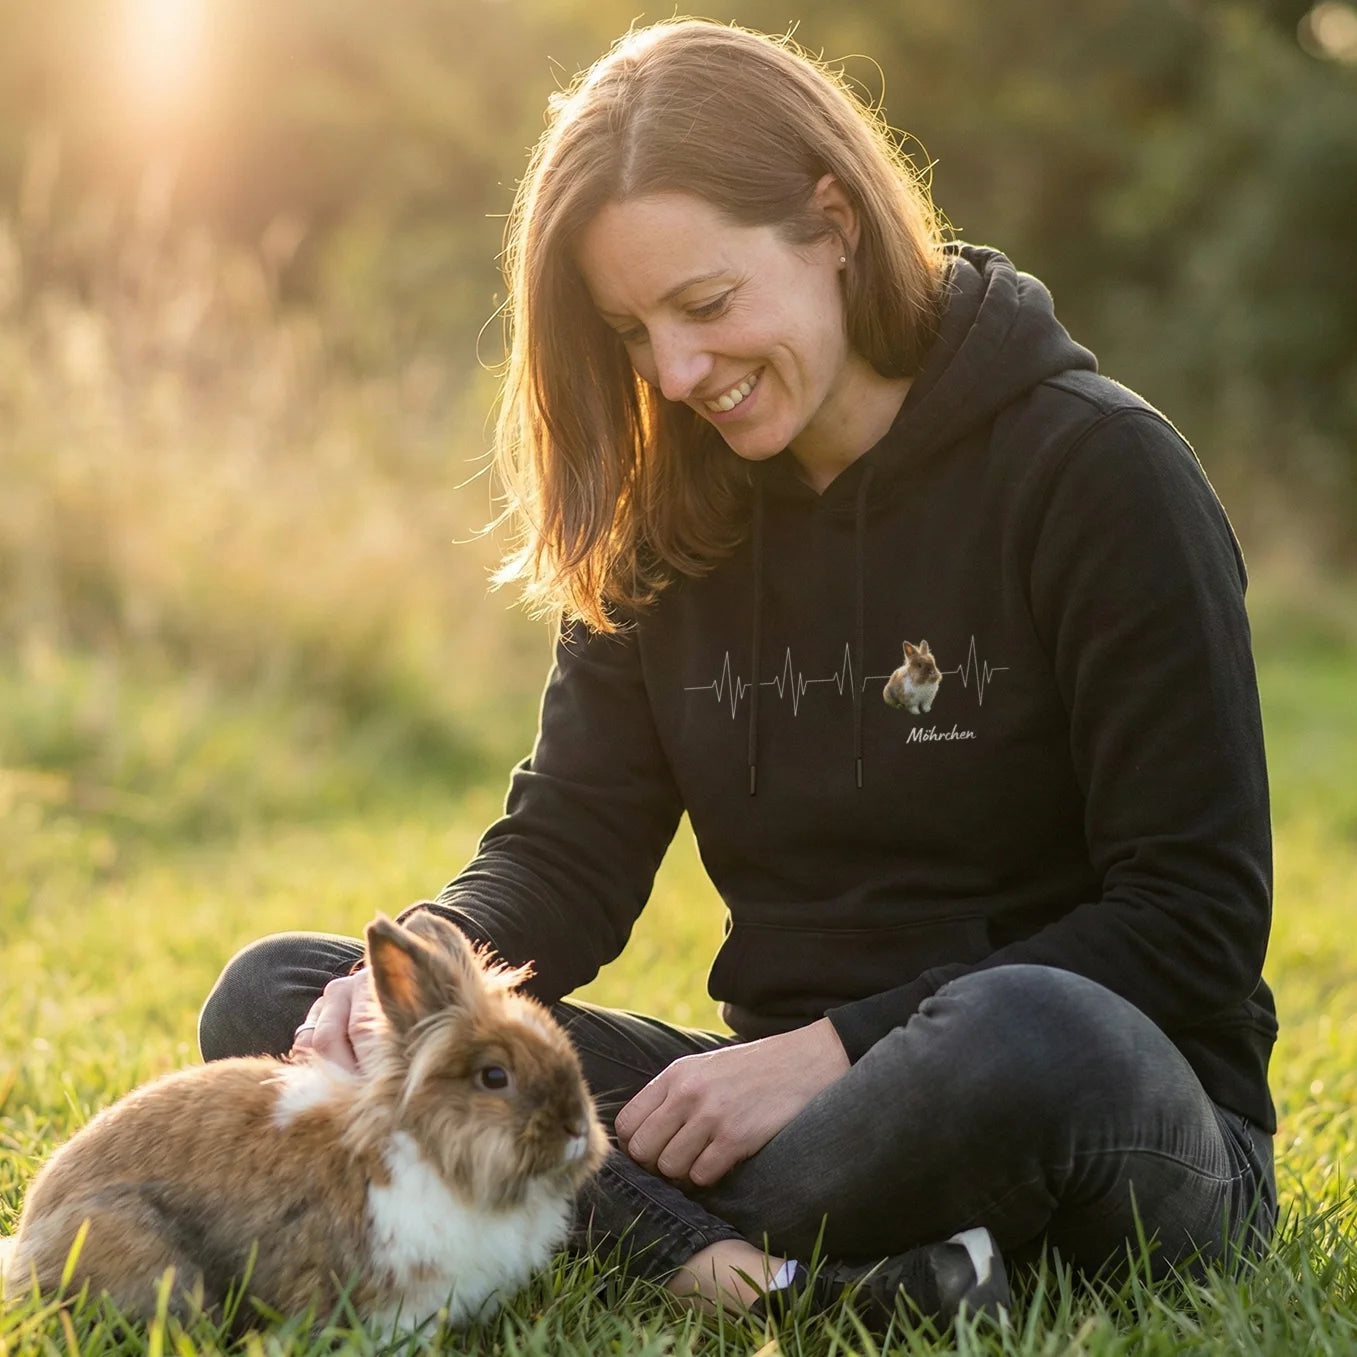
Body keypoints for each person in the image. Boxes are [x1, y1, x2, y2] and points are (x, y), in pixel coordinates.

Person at [198, 19, 1277, 1331]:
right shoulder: (668, 514)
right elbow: (569, 850)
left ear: (834, 224)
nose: (675, 372)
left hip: (1094, 1102)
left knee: (1032, 1030)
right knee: (278, 998)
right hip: (782, 1118)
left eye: (705, 306)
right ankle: (793, 1285)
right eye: (631, 330)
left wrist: (834, 1050)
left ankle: (633, 1239)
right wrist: (415, 983)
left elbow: (1190, 920)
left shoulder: (1101, 475)